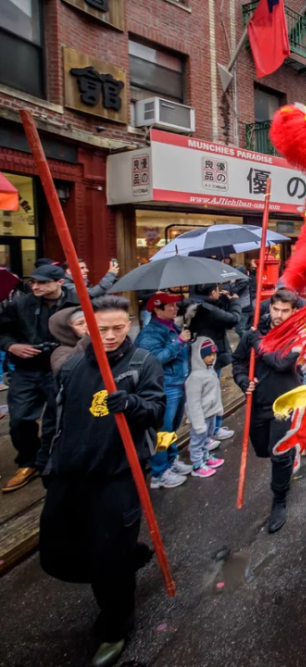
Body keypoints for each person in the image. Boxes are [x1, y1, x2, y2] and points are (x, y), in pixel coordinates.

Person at [37, 295, 165, 667]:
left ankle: (115, 627)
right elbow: (54, 419)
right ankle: (128, 558)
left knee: (109, 561)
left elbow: (157, 410)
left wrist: (133, 404)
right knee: (56, 553)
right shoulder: (72, 365)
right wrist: (47, 462)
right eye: (101, 328)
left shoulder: (143, 363)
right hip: (70, 473)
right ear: (88, 327)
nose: (109, 335)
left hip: (118, 476)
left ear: (129, 326)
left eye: (118, 328)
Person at [0, 264, 79, 493]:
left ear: (60, 282)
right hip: (26, 369)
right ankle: (28, 461)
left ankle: (54, 459)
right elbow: (2, 331)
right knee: (20, 419)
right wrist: (11, 346)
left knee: (58, 419)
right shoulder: (20, 304)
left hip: (61, 369)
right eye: (33, 282)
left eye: (43, 282)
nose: (35, 286)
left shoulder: (77, 302)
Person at [233, 289, 301, 533]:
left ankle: (279, 499)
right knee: (262, 449)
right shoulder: (254, 332)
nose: (280, 315)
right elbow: (238, 361)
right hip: (259, 404)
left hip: (285, 403)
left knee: (278, 454)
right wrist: (242, 381)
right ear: (269, 308)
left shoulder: (299, 334)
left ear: (294, 312)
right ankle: (289, 456)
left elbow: (281, 362)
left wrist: (257, 343)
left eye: (285, 311)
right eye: (276, 309)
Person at [135, 292, 193, 490]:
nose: (175, 309)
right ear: (157, 310)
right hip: (164, 387)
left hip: (178, 383)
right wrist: (179, 342)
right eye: (170, 306)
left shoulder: (173, 328)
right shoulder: (149, 334)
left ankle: (171, 459)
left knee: (172, 428)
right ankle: (159, 472)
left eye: (176, 305)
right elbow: (154, 361)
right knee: (163, 430)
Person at [179, 283, 241, 441]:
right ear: (213, 292)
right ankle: (210, 433)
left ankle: (212, 429)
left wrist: (222, 300)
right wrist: (234, 301)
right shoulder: (208, 310)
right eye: (218, 291)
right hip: (209, 355)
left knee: (205, 393)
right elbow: (233, 319)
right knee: (210, 395)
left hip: (198, 353)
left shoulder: (194, 305)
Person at [184, 338, 226, 478]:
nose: (212, 358)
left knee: (207, 437)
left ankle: (206, 457)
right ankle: (197, 464)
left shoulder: (211, 372)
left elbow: (216, 393)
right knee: (197, 441)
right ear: (199, 357)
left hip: (211, 413)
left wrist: (218, 408)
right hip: (201, 417)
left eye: (214, 355)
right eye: (208, 355)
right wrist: (198, 423)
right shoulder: (194, 378)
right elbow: (193, 403)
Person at [48, 308, 88, 374]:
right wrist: (88, 338)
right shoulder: (61, 352)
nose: (87, 326)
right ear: (68, 329)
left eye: (90, 321)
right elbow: (64, 370)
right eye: (80, 323)